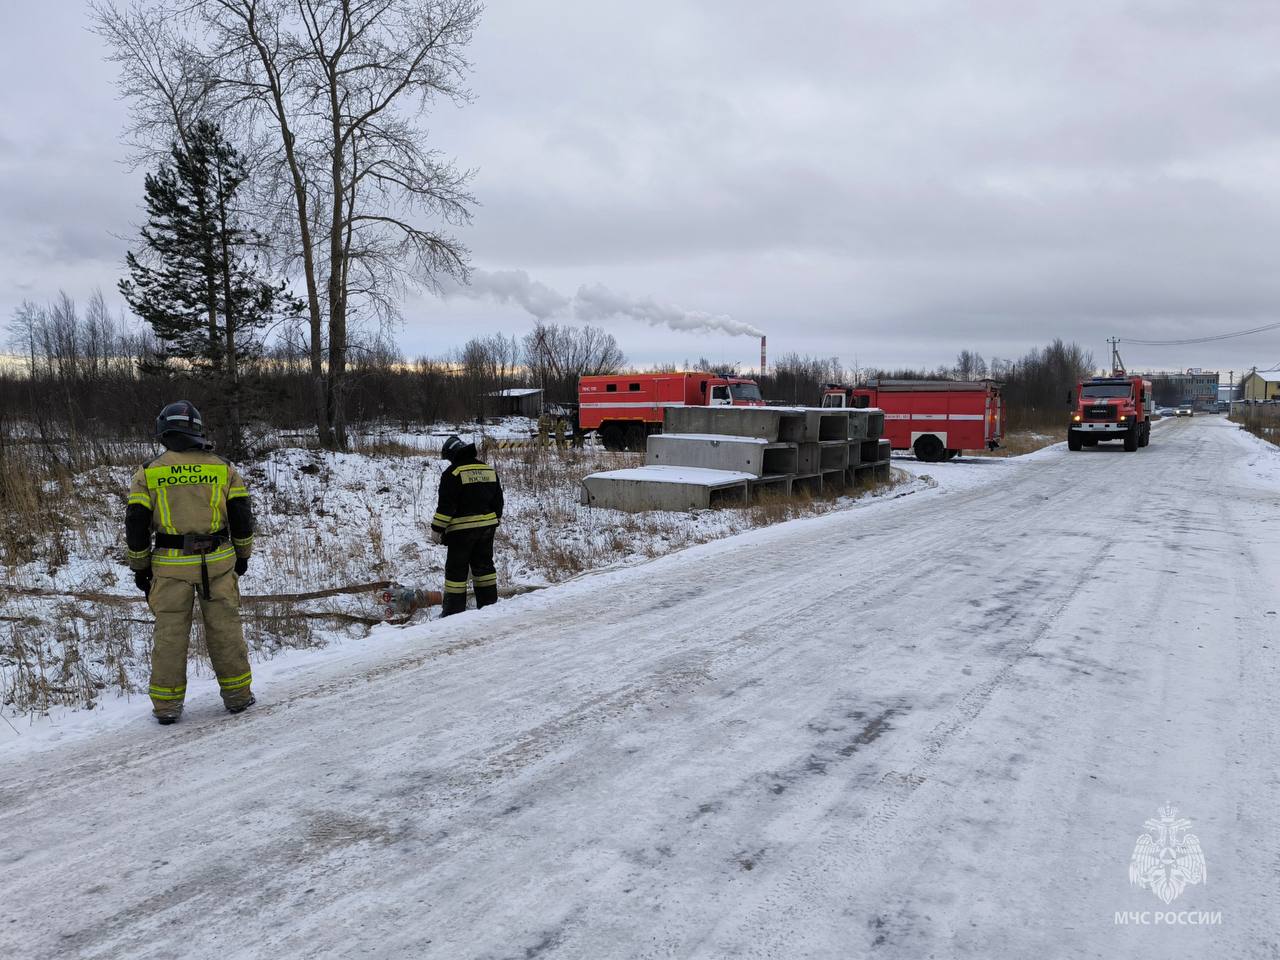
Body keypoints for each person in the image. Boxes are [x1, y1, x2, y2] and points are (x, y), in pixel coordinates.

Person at [125, 401, 256, 724]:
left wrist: (140, 567)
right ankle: (238, 697)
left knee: (169, 636)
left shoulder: (149, 472)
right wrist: (243, 555)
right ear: (198, 430)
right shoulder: (223, 468)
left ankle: (167, 707)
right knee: (226, 630)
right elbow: (241, 518)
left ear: (164, 431)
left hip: (170, 568)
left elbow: (136, 524)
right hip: (218, 564)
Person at [431, 435, 504, 616]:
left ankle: (453, 612)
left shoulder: (453, 473)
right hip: (487, 529)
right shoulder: (488, 470)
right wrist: (493, 521)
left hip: (461, 532)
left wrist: (437, 529)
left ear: (453, 454)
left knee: (456, 572)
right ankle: (488, 606)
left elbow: (446, 507)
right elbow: (498, 502)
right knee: (484, 568)